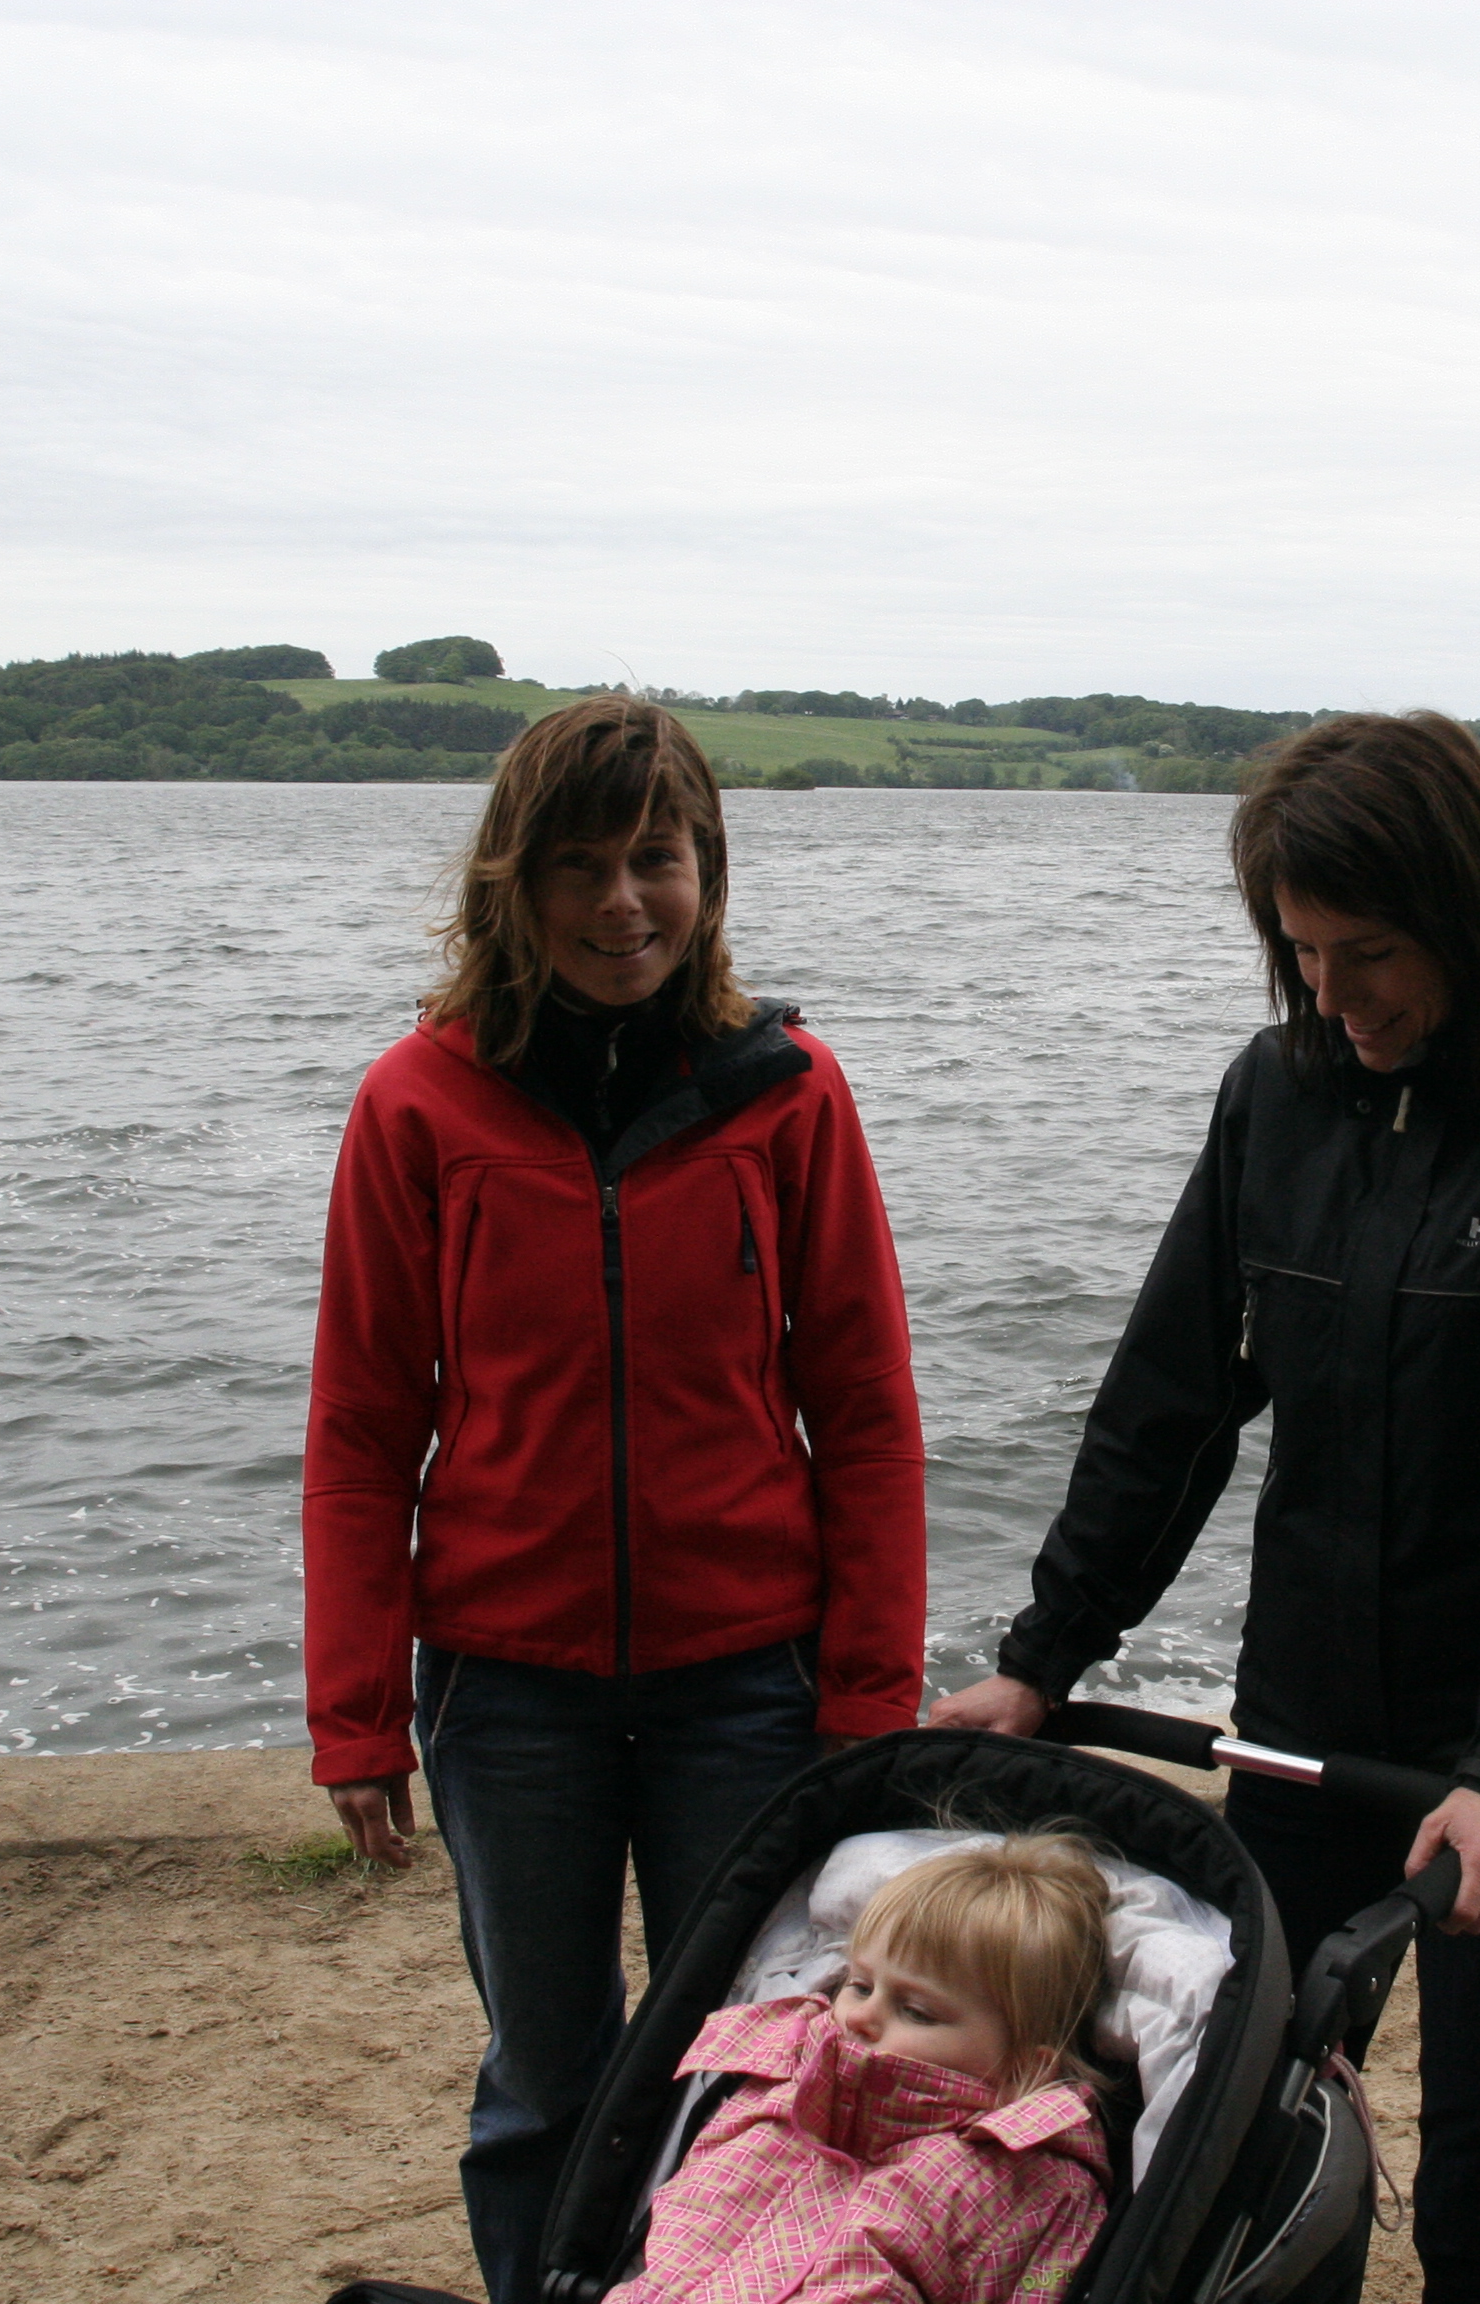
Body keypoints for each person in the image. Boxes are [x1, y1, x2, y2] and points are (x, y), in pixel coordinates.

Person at [930, 711, 1480, 2304]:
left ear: (1475, 918)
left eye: (1370, 954)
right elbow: (1169, 1402)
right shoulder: (1275, 1094)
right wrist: (1044, 1653)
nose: (1333, 997)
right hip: (1309, 1732)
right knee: (1246, 2142)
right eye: (1301, 954)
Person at [302, 695, 927, 2300]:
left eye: (656, 858)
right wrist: (356, 1714)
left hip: (750, 1681)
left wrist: (870, 1697)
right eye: (578, 865)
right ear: (511, 882)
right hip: (509, 1689)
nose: (621, 902)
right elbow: (363, 1431)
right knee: (546, 2081)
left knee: (746, 2066)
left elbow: (865, 1413)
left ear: (708, 869)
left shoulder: (788, 1090)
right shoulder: (419, 1102)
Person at [609, 1834, 1116, 2304]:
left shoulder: (1030, 2188)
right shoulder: (774, 2087)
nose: (861, 2016)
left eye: (916, 2012)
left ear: (1022, 2066)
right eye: (860, 1986)